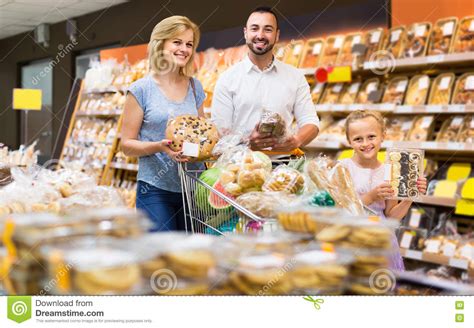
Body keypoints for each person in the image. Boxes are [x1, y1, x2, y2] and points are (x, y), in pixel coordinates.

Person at [121, 16, 205, 232]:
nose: (184, 49)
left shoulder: (195, 87)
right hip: (156, 190)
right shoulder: (141, 90)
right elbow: (127, 145)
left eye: (189, 44)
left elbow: (201, 135)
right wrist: (159, 146)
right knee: (163, 255)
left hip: (193, 187)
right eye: (177, 42)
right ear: (160, 43)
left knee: (190, 258)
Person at [211, 6, 319, 152]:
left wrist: (296, 140)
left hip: (283, 167)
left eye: (268, 29)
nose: (260, 35)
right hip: (241, 167)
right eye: (254, 29)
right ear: (245, 33)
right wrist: (247, 143)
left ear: (277, 35)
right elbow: (220, 133)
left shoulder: (295, 76)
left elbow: (311, 122)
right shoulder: (227, 79)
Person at [341, 110, 427, 271]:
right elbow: (338, 212)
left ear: (383, 136)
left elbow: (391, 216)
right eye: (358, 139)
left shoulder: (389, 170)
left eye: (371, 136)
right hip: (352, 238)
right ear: (349, 141)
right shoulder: (343, 168)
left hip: (382, 242)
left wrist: (411, 195)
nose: (366, 143)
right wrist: (370, 197)